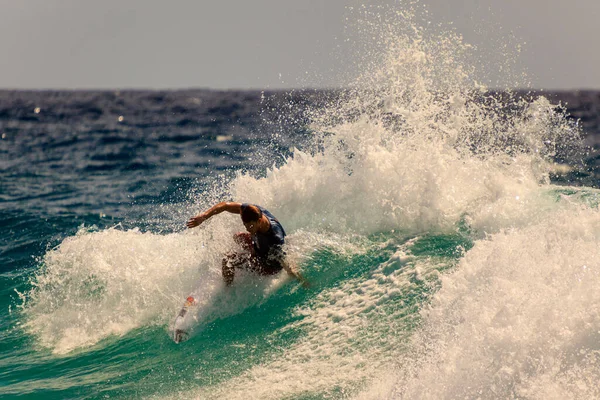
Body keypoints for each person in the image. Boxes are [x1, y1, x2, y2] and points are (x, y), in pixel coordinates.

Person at [187, 202, 308, 287]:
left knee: (228, 259)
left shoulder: (274, 238)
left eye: (250, 226)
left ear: (259, 221)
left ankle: (227, 290)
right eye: (246, 226)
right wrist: (204, 216)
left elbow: (288, 267)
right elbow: (224, 206)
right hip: (259, 245)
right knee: (238, 237)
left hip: (267, 265)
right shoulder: (252, 211)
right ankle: (249, 254)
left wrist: (303, 282)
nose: (248, 229)